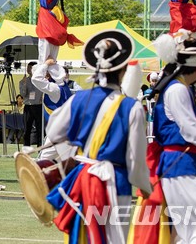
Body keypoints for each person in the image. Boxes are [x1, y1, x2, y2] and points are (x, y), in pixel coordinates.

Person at [45, 29, 152, 243]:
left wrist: (77, 152)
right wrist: (146, 187)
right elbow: (135, 159)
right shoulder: (131, 107)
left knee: (82, 237)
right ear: (122, 70)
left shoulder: (80, 99)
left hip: (83, 178)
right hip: (115, 182)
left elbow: (54, 131)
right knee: (113, 238)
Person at [130, 29, 196, 243]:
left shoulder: (178, 88)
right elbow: (190, 131)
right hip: (181, 166)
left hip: (183, 165)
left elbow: (191, 128)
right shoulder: (177, 90)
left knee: (188, 233)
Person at [35, 0, 83, 79]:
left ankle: (39, 78)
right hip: (49, 23)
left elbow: (47, 3)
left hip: (47, 25)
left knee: (44, 58)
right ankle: (61, 81)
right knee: (50, 60)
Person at [30, 59, 73, 161]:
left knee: (42, 162)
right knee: (65, 163)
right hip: (65, 129)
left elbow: (35, 79)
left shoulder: (55, 89)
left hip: (58, 130)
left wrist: (46, 64)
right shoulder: (63, 86)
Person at [19, 62, 43, 146]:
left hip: (38, 105)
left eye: (31, 68)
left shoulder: (41, 80)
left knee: (40, 127)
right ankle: (26, 146)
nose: (29, 70)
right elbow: (22, 94)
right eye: (28, 68)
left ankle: (40, 145)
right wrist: (25, 84)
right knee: (27, 128)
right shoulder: (23, 81)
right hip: (28, 106)